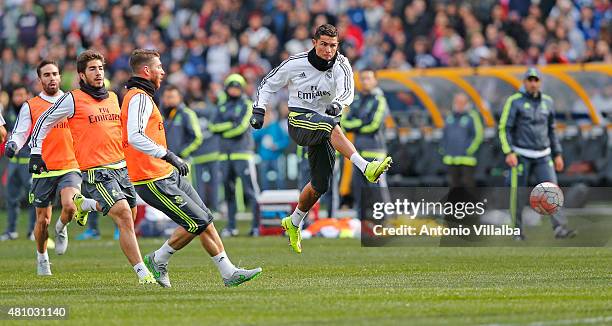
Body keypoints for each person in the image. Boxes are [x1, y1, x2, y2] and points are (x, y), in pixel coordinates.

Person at [120, 49, 261, 288]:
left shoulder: (142, 96)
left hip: (165, 173)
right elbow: (134, 136)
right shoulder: (139, 98)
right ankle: (158, 258)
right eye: (159, 67)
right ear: (146, 71)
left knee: (205, 217)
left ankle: (228, 272)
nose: (163, 71)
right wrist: (168, 154)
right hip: (151, 178)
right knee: (196, 222)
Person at [251, 24, 392, 253]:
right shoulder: (295, 63)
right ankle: (366, 167)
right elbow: (267, 83)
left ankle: (294, 221)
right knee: (330, 125)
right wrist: (259, 109)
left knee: (320, 185)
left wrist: (339, 103)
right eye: (324, 44)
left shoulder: (341, 63)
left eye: (333, 45)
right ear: (314, 42)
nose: (328, 50)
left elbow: (347, 90)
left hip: (324, 122)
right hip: (299, 119)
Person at [28, 49, 157, 285]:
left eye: (100, 68)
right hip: (96, 169)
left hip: (121, 166)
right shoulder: (72, 99)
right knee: (124, 214)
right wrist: (35, 152)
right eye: (92, 69)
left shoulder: (113, 97)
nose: (98, 73)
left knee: (130, 215)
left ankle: (85, 204)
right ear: (81, 75)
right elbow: (44, 122)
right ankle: (143, 273)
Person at [4, 60, 82, 275]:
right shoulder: (31, 105)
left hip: (70, 164)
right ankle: (42, 257)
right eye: (46, 75)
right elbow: (20, 133)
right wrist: (13, 145)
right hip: (43, 168)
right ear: (40, 80)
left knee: (70, 206)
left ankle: (62, 228)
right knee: (42, 220)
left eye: (55, 74)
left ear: (59, 77)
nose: (52, 78)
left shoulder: (73, 101)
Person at [499, 67, 576, 240]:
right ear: (524, 82)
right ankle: (517, 231)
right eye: (530, 80)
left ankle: (559, 228)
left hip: (543, 154)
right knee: (517, 194)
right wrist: (509, 151)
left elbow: (552, 130)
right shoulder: (514, 101)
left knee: (552, 191)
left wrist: (557, 153)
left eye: (536, 80)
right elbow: (504, 128)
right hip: (521, 154)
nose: (533, 83)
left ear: (540, 82)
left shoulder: (547, 102)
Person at [211, 74, 261, 237]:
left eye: (237, 87)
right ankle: (231, 226)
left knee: (251, 192)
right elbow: (212, 126)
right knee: (228, 192)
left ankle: (255, 226)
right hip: (225, 155)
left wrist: (224, 129)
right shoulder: (221, 105)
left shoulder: (247, 104)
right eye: (231, 87)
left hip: (243, 153)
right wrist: (229, 126)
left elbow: (240, 127)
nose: (234, 90)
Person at [341, 69, 391, 217]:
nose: (365, 81)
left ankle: (386, 221)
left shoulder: (379, 100)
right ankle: (361, 222)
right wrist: (360, 123)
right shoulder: (356, 99)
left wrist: (355, 124)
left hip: (376, 151)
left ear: (375, 80)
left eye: (368, 78)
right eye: (363, 79)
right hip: (358, 153)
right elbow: (345, 123)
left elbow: (374, 125)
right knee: (359, 189)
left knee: (378, 189)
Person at [0, 84, 36, 242]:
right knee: (11, 198)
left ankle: (33, 231)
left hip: (29, 163)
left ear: (28, 95)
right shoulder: (7, 114)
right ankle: (11, 231)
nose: (19, 98)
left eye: (22, 94)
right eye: (16, 95)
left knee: (34, 199)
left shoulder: (33, 114)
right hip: (13, 163)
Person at [441, 92, 483, 189]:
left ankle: (470, 204)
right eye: (457, 102)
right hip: (451, 158)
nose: (459, 104)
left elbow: (478, 135)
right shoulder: (450, 117)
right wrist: (444, 149)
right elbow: (444, 135)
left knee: (468, 185)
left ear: (467, 103)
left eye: (461, 102)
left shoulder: (472, 116)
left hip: (467, 159)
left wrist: (469, 150)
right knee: (453, 186)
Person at [161, 84, 203, 165]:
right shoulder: (159, 114)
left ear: (179, 98)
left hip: (182, 162)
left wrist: (181, 153)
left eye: (171, 96)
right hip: (164, 162)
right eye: (165, 96)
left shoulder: (187, 114)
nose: (167, 99)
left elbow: (197, 138)